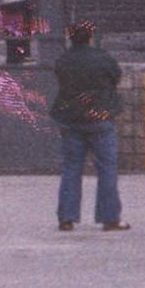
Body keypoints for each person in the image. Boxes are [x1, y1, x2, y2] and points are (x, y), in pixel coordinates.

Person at [51, 20, 128, 232]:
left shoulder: (63, 60)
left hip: (71, 120)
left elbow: (60, 79)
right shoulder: (103, 58)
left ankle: (66, 218)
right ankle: (109, 218)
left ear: (70, 38)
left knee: (71, 168)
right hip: (100, 118)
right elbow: (116, 77)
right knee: (107, 169)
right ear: (91, 37)